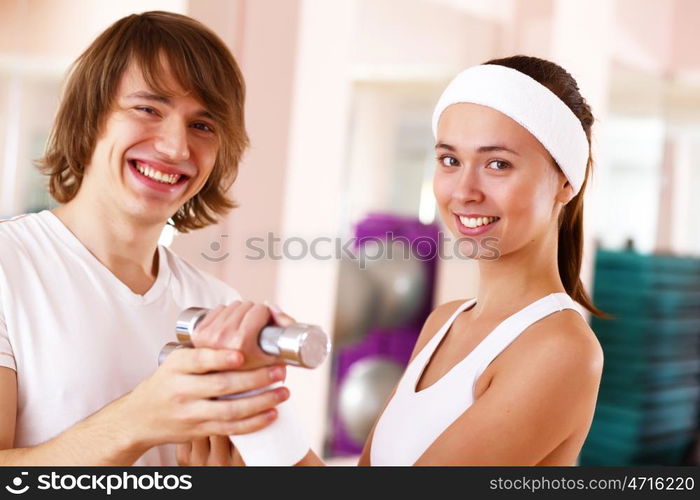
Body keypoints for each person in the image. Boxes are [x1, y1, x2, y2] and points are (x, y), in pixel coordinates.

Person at [219, 55, 605, 466]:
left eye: (498, 164)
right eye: (450, 160)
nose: (464, 190)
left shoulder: (560, 348)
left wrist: (259, 408)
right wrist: (244, 402)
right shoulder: (445, 322)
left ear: (565, 181)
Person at [0, 11, 296, 466]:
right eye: (148, 109)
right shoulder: (10, 265)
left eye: (202, 125)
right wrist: (138, 421)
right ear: (91, 115)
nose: (177, 148)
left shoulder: (215, 301)